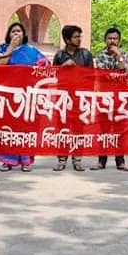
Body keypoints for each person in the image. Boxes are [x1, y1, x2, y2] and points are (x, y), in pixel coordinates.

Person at [0, 22, 45, 171]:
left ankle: (26, 160)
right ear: (8, 34)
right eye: (13, 31)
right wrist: (11, 47)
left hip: (26, 96)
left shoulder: (32, 51)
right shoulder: (2, 48)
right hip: (7, 96)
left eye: (19, 31)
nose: (16, 34)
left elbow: (44, 67)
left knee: (26, 127)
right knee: (7, 127)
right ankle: (7, 161)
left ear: (24, 34)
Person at [90, 27, 128, 171]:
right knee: (104, 130)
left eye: (115, 38)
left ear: (119, 41)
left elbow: (125, 72)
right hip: (105, 98)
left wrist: (118, 56)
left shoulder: (125, 54)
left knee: (120, 131)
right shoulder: (100, 55)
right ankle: (101, 161)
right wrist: (116, 76)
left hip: (120, 99)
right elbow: (104, 75)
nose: (112, 41)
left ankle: (120, 161)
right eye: (110, 38)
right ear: (105, 40)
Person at [52, 24, 93, 172]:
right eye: (76, 36)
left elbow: (92, 76)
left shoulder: (86, 54)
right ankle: (61, 159)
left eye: (79, 36)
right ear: (67, 39)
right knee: (62, 129)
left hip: (80, 98)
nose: (79, 39)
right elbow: (53, 75)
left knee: (78, 129)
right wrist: (63, 66)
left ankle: (78, 159)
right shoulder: (59, 56)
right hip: (63, 98)